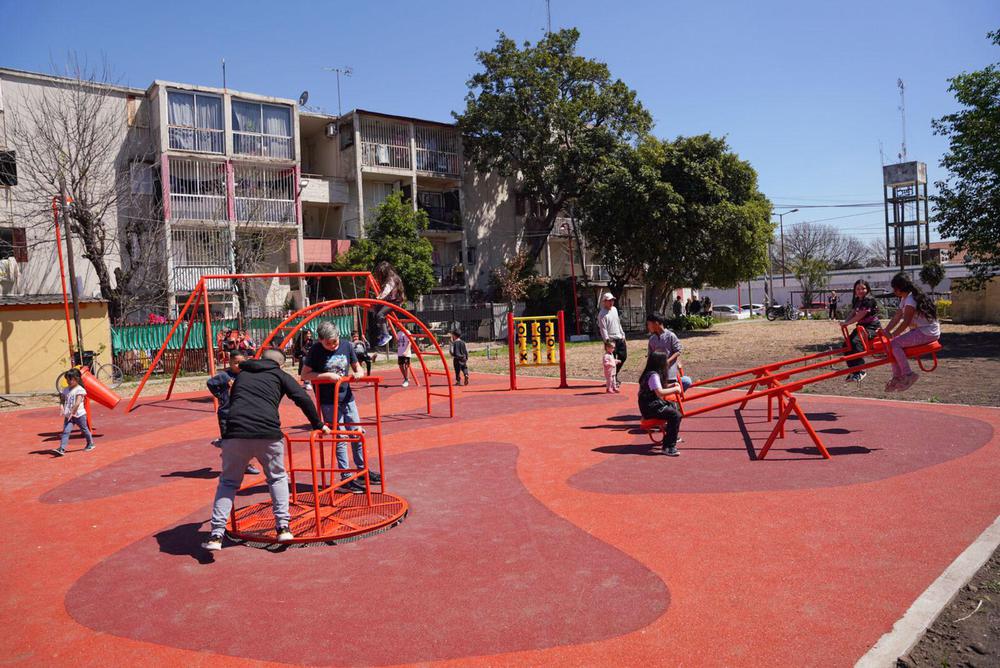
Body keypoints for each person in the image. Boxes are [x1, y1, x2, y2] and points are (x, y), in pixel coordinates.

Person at [201, 347, 330, 551]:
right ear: (280, 364)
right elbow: (302, 398)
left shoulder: (242, 375)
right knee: (277, 477)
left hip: (237, 434)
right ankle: (283, 527)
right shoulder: (280, 374)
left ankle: (216, 534)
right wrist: (318, 424)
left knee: (228, 482)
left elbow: (229, 406)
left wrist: (226, 436)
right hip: (267, 433)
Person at [301, 321, 377, 494]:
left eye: (334, 341)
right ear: (320, 340)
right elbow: (304, 374)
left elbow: (357, 367)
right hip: (329, 401)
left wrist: (359, 373)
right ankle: (345, 476)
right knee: (340, 437)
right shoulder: (315, 351)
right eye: (328, 343)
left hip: (347, 397)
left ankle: (361, 470)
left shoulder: (346, 345)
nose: (333, 346)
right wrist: (326, 375)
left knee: (357, 432)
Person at [882, 273, 940, 392]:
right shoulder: (905, 298)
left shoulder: (911, 299)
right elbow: (897, 316)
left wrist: (893, 335)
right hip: (923, 330)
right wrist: (886, 330)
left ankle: (908, 374)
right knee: (892, 344)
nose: (894, 291)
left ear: (899, 289)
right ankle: (897, 377)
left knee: (894, 344)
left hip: (927, 332)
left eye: (894, 288)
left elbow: (905, 322)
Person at [206, 352, 261, 475]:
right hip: (227, 413)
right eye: (235, 363)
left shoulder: (247, 375)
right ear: (230, 363)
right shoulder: (224, 376)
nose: (238, 365)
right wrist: (220, 395)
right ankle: (225, 447)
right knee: (230, 441)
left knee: (245, 440)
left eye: (241, 363)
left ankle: (243, 462)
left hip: (243, 413)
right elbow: (210, 383)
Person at [637, 351, 683, 456]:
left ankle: (671, 434)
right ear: (660, 363)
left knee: (672, 407)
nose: (667, 363)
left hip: (649, 404)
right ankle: (668, 446)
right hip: (650, 406)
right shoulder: (654, 375)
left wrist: (671, 386)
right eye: (664, 361)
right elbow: (660, 392)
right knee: (675, 415)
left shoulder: (649, 373)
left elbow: (657, 388)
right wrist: (675, 389)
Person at [840, 280, 881, 382]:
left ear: (867, 289)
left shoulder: (869, 300)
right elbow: (853, 312)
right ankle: (853, 371)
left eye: (863, 288)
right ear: (855, 290)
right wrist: (845, 321)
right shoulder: (857, 300)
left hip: (871, 326)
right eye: (858, 289)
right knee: (846, 345)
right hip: (861, 326)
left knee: (856, 342)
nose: (860, 291)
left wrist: (848, 323)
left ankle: (860, 370)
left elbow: (860, 315)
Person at [53, 368, 94, 456]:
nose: (68, 381)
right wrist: (62, 407)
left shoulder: (80, 389)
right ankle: (62, 449)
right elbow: (62, 400)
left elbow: (78, 402)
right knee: (66, 431)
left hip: (79, 415)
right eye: (67, 379)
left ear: (77, 379)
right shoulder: (66, 389)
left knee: (84, 429)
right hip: (69, 415)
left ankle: (90, 443)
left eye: (70, 379)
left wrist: (73, 412)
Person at [372, 261, 405, 347]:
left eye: (381, 274)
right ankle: (381, 333)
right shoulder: (390, 278)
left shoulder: (392, 279)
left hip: (396, 302)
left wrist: (378, 298)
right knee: (376, 310)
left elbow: (386, 291)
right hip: (390, 301)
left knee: (380, 314)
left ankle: (386, 334)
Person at [597, 292, 627, 383]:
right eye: (609, 301)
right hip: (611, 340)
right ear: (604, 302)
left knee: (623, 357)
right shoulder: (602, 314)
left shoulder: (614, 309)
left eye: (612, 300)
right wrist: (607, 341)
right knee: (611, 361)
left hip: (619, 337)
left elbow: (618, 322)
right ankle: (612, 379)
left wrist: (623, 334)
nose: (611, 302)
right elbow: (603, 329)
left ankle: (615, 375)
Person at [646, 313, 683, 385]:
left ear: (656, 323)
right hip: (657, 374)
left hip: (670, 374)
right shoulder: (652, 339)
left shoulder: (670, 336)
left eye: (649, 324)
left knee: (671, 392)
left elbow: (678, 351)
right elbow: (650, 356)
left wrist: (667, 361)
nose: (648, 327)